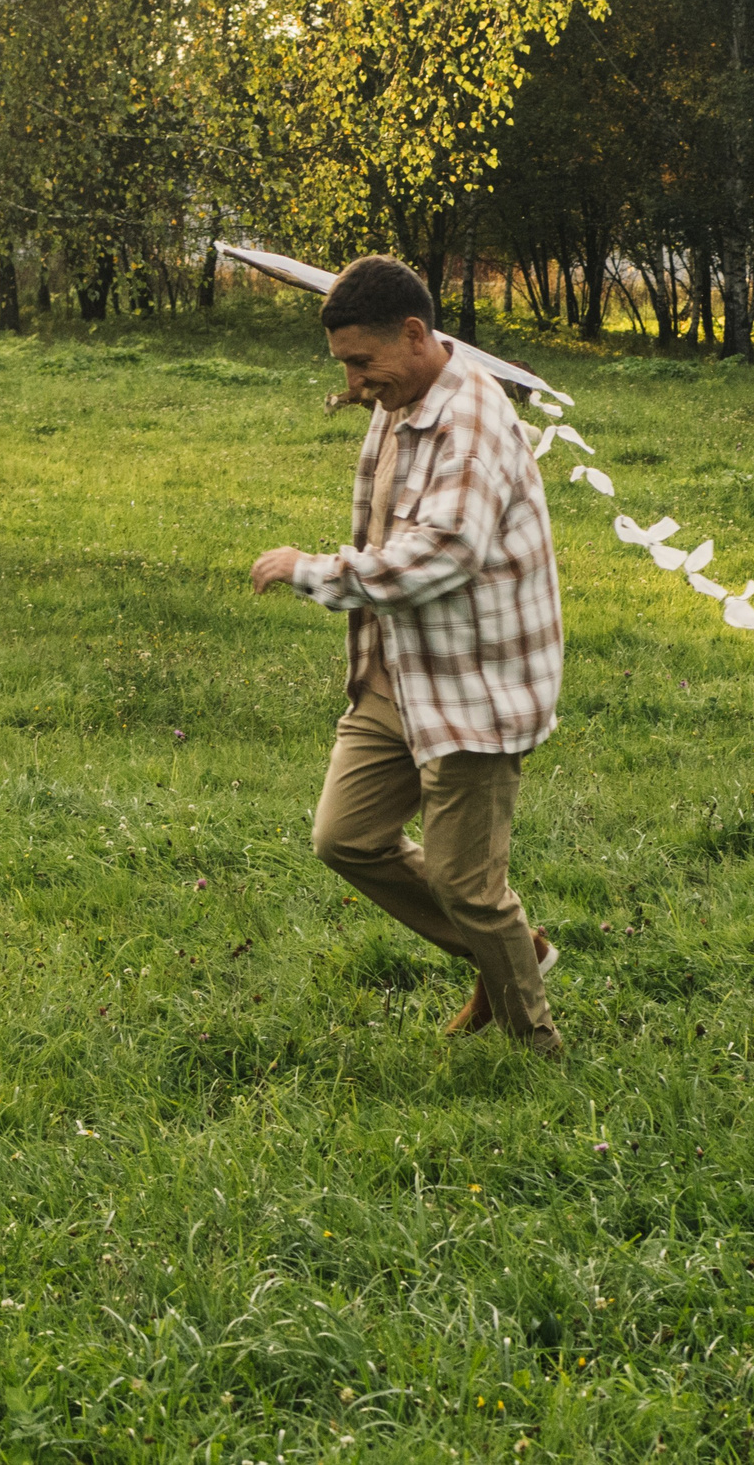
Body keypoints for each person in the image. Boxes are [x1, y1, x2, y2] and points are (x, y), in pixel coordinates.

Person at [249, 255, 566, 1057]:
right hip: (398, 671)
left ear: (416, 335)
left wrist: (312, 570)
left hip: (475, 687)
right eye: (344, 366)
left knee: (467, 885)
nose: (353, 384)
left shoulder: (471, 423)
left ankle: (535, 1045)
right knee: (346, 837)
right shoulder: (400, 396)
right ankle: (511, 952)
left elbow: (442, 555)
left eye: (362, 362)